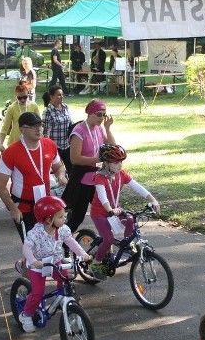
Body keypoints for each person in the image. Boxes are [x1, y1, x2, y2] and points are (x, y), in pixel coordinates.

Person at [17, 196, 90, 333]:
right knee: (38, 292)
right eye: (61, 216)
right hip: (38, 266)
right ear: (48, 220)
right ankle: (25, 315)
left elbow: (71, 242)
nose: (65, 218)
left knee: (66, 281)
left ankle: (63, 299)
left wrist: (82, 254)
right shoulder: (36, 233)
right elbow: (26, 248)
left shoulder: (62, 230)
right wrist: (33, 261)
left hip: (55, 262)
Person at [87, 144, 160, 280]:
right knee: (108, 239)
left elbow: (137, 187)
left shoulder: (121, 175)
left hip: (115, 210)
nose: (120, 165)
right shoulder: (100, 177)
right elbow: (102, 196)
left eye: (121, 162)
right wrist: (109, 209)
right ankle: (96, 263)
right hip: (101, 212)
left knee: (131, 219)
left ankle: (126, 245)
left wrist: (153, 200)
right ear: (107, 163)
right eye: (116, 162)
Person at [0, 111, 68, 241]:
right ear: (22, 129)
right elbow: (0, 185)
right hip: (24, 206)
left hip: (46, 205)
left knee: (48, 244)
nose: (39, 128)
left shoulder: (49, 144)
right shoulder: (11, 152)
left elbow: (58, 167)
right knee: (31, 247)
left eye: (40, 125)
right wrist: (13, 208)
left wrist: (61, 176)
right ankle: (26, 262)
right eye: (33, 126)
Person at [63, 100, 117, 233]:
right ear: (89, 113)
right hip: (83, 181)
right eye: (98, 114)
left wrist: (108, 128)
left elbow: (113, 148)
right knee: (78, 217)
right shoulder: (79, 131)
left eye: (104, 115)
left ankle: (106, 246)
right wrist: (99, 159)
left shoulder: (99, 128)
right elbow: (75, 159)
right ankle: (62, 243)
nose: (101, 118)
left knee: (106, 212)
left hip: (98, 179)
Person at [0, 83, 41, 152]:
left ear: (28, 94)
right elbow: (5, 127)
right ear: (16, 96)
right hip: (15, 142)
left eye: (25, 97)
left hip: (31, 142)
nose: (22, 100)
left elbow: (39, 124)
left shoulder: (33, 105)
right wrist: (1, 144)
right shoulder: (12, 108)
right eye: (19, 98)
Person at [42, 85, 73, 173]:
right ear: (52, 97)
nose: (61, 96)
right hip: (55, 147)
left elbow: (70, 123)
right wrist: (47, 148)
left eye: (62, 94)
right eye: (59, 95)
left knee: (72, 169)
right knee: (57, 171)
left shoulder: (65, 107)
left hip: (67, 145)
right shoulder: (47, 111)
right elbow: (45, 131)